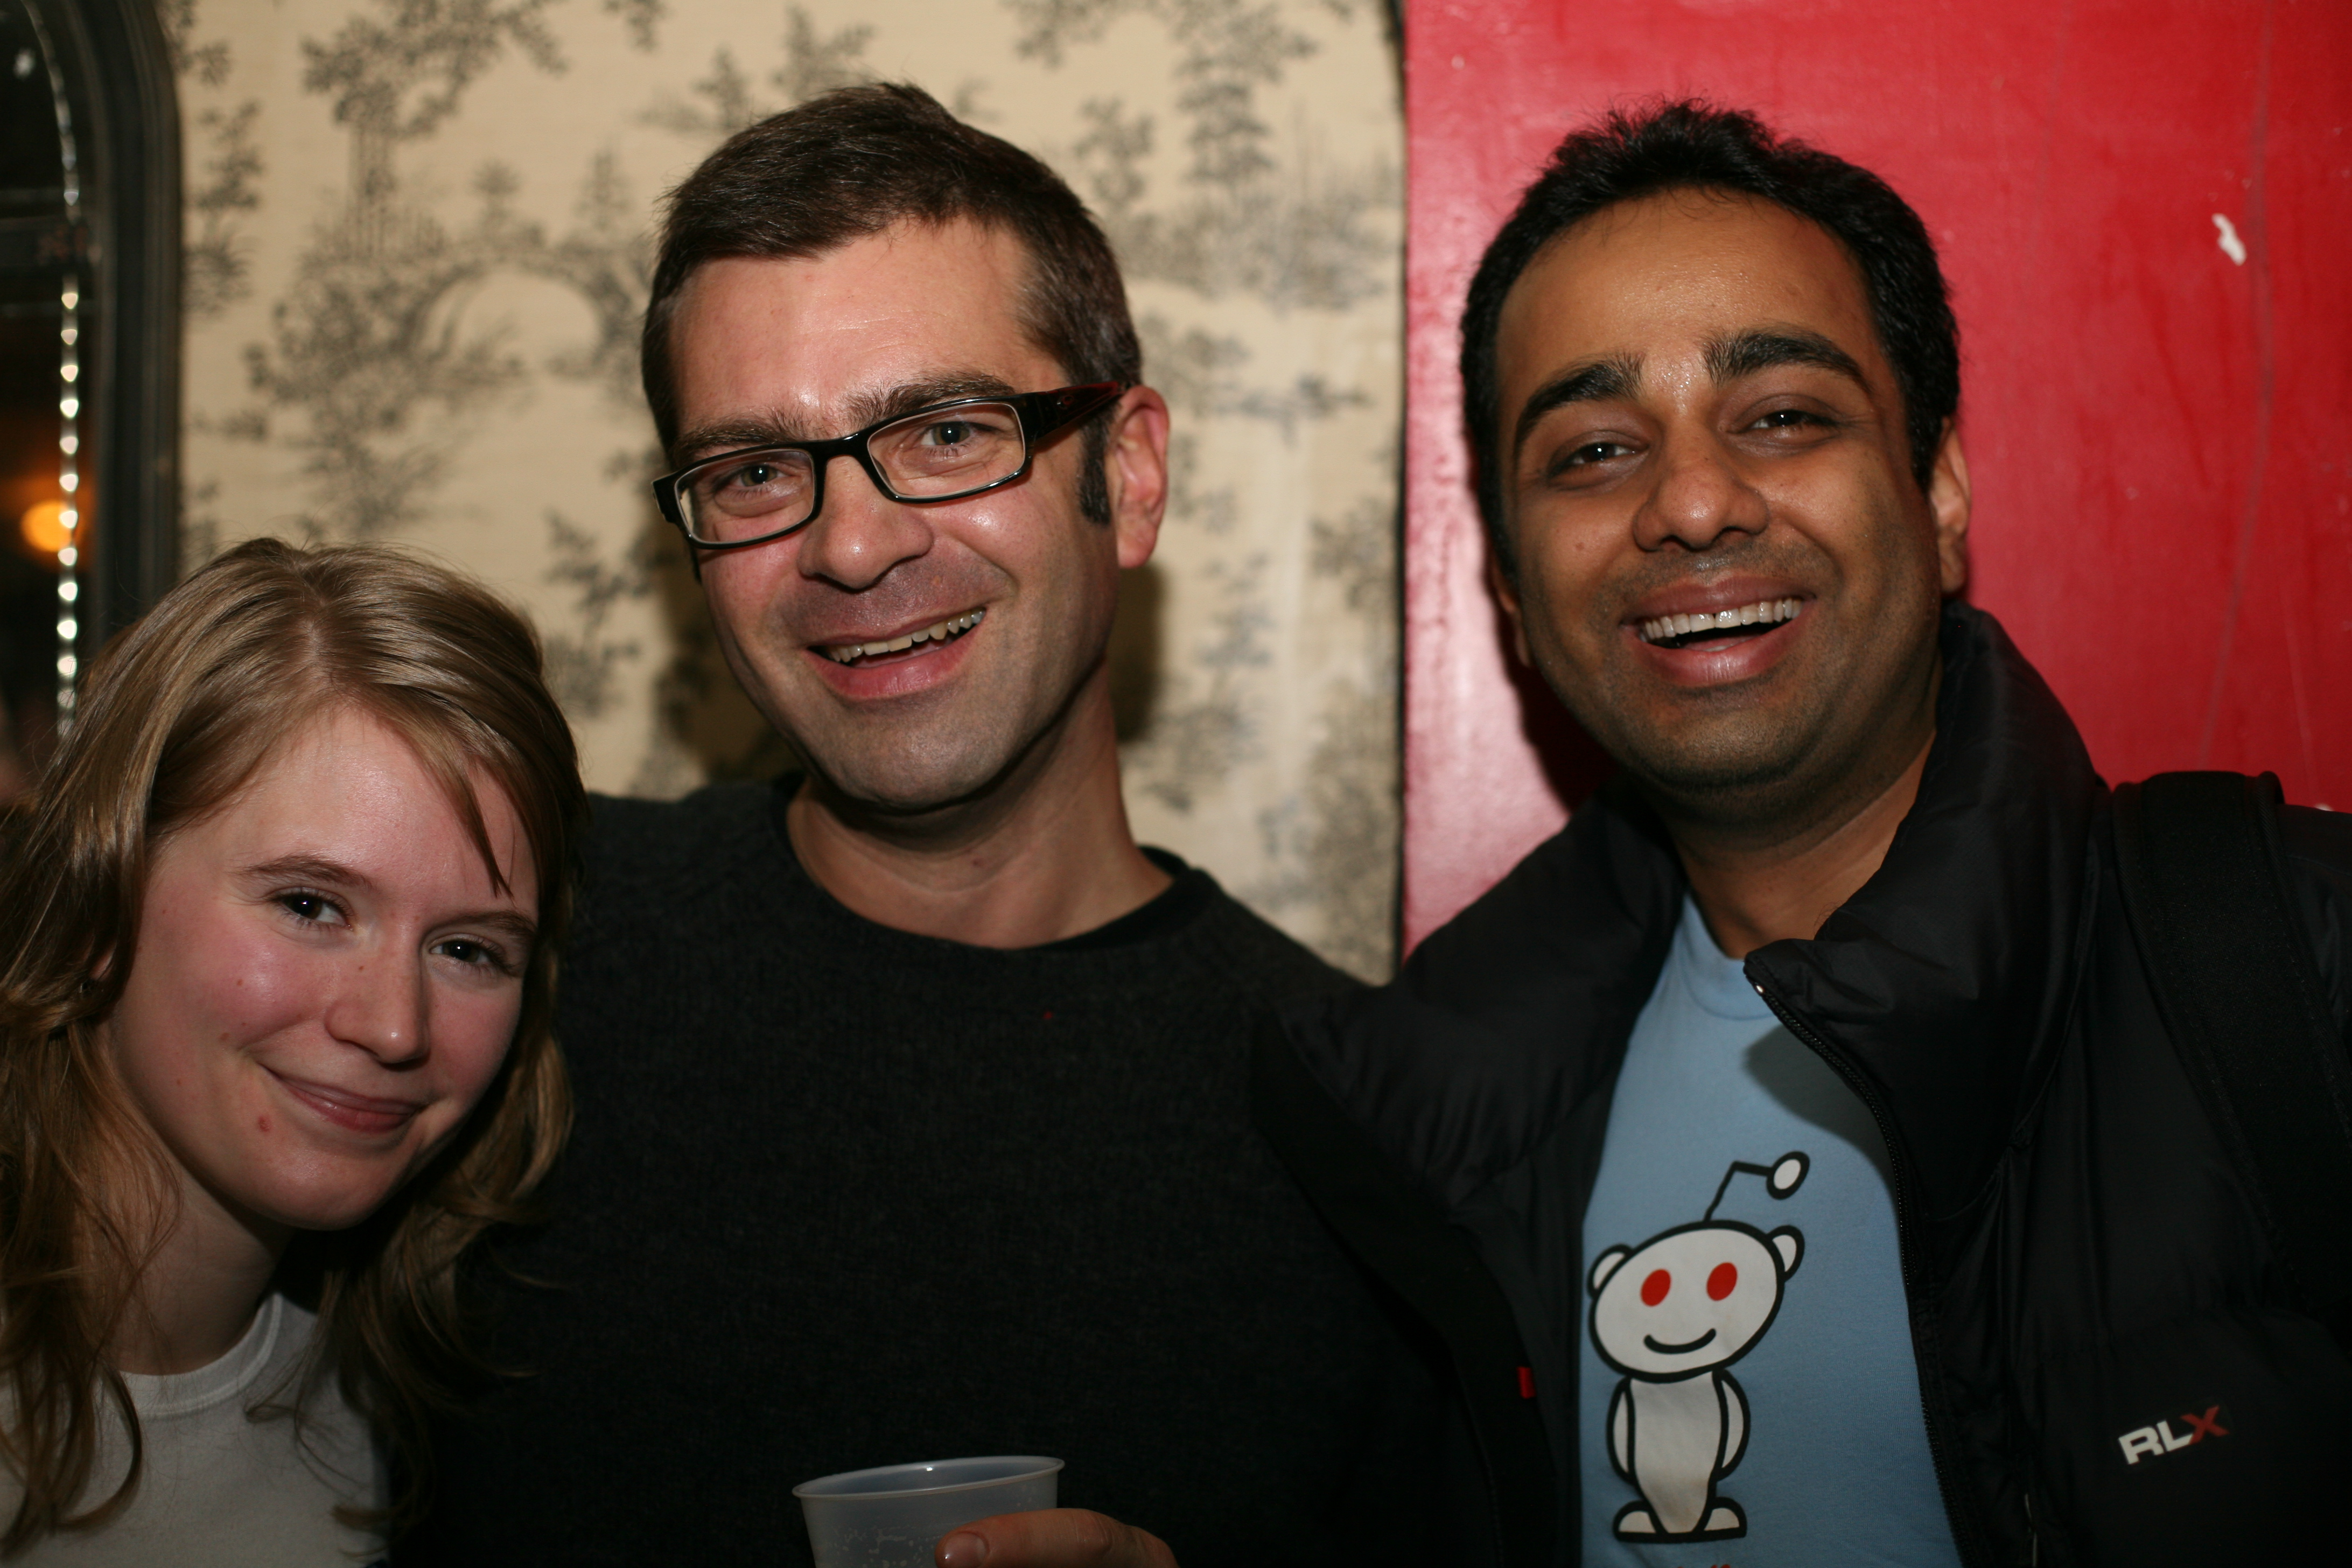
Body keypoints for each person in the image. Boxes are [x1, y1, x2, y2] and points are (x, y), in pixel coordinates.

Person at [1255, 101, 2352, 1567]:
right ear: (1512, 590)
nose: (1693, 502)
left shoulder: (2299, 958)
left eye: (1782, 416)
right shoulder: (1418, 1129)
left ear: (1941, 488)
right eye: (1592, 451)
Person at [414, 83, 1443, 1568]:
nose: (850, 543)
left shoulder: (1366, 1125)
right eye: (755, 471)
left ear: (1130, 476)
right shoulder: (502, 953)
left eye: (948, 432)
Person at [0, 537, 585, 1564]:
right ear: (100, 900)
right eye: (310, 905)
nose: (394, 1026)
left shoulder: (390, 1422)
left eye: (467, 949)